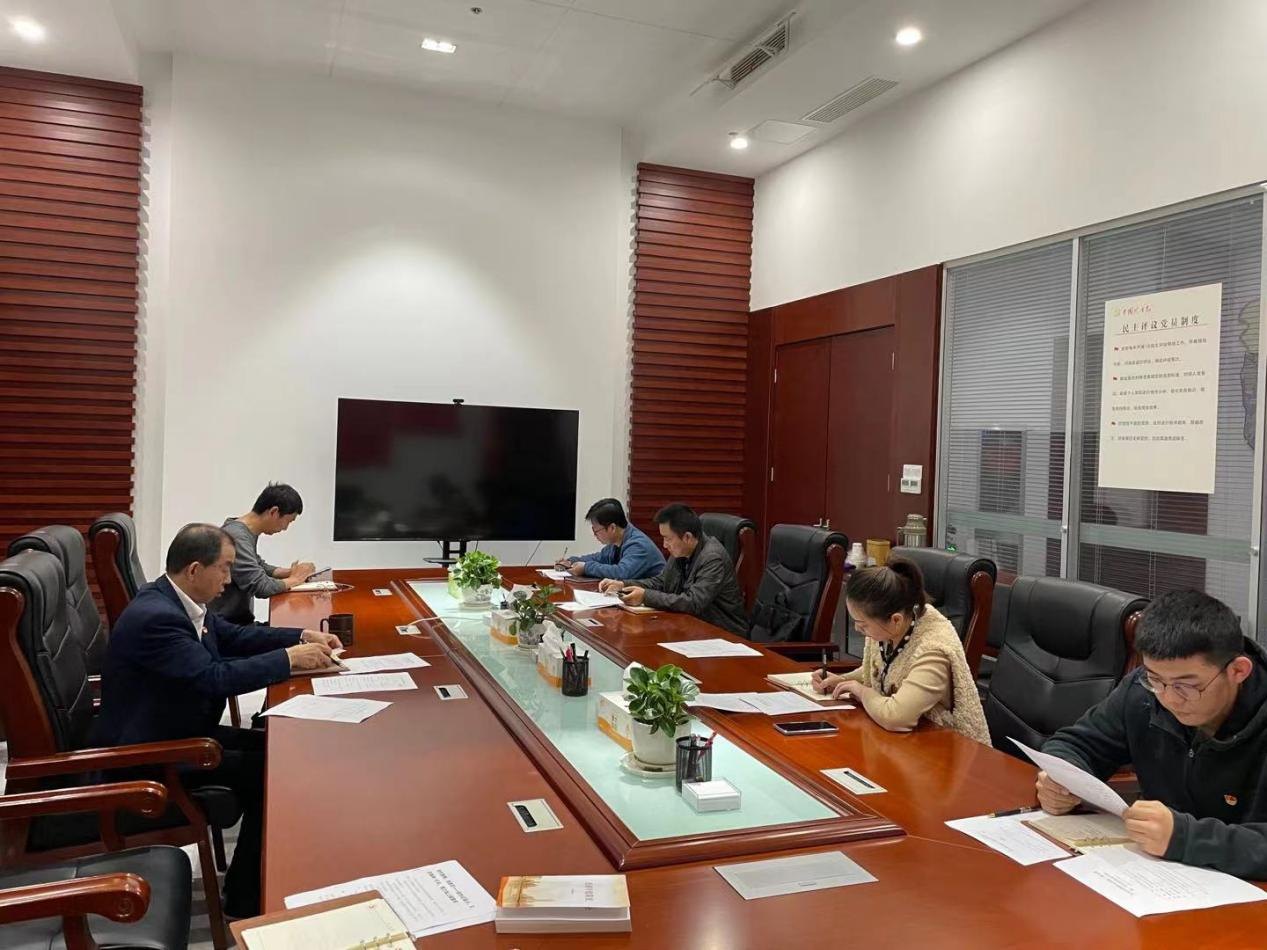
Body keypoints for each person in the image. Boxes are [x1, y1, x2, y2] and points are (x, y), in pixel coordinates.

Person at [92, 523, 341, 918]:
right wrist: (286, 661)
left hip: (177, 727)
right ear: (195, 569)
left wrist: (300, 637)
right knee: (271, 771)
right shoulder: (158, 618)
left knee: (280, 749)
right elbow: (213, 678)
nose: (229, 579)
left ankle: (261, 880)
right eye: (224, 569)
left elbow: (233, 638)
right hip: (149, 754)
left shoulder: (177, 599)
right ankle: (245, 898)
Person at [1038, 590, 1267, 879]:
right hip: (1154, 875)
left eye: (1187, 686)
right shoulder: (1143, 690)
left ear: (1238, 671)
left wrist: (1185, 837)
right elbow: (1076, 743)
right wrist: (1062, 780)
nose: (1169, 699)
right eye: (1155, 679)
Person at [811, 557, 989, 744]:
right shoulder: (892, 627)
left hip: (946, 748)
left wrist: (861, 692)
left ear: (895, 620)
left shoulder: (933, 649)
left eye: (863, 625)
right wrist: (841, 681)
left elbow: (897, 718)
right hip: (903, 741)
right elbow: (882, 672)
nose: (857, 629)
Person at [598, 503, 746, 636]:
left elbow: (693, 602)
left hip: (723, 634)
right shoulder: (681, 551)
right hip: (691, 627)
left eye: (668, 538)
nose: (664, 545)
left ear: (687, 537)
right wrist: (623, 584)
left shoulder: (713, 558)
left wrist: (645, 597)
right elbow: (661, 582)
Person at [210, 482, 316, 624]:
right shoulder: (236, 536)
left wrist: (289, 572)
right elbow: (261, 587)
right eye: (288, 521)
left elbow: (257, 564)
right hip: (230, 626)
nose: (285, 528)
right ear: (274, 512)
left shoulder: (241, 530)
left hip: (238, 622)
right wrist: (296, 579)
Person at [556, 498, 665, 581]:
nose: (594, 535)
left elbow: (621, 573)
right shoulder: (618, 541)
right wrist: (571, 561)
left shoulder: (638, 545)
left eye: (596, 530)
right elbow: (599, 558)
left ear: (612, 528)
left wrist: (586, 568)